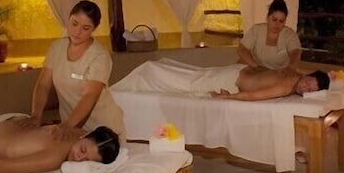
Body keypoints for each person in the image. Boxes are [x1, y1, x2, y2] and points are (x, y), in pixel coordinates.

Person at [21, 0, 141, 173]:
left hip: (103, 128)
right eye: (74, 24)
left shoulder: (99, 57)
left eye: (85, 28)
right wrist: (36, 116)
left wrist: (67, 126)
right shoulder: (56, 49)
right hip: (74, 128)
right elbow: (43, 85)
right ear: (69, 19)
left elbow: (89, 97)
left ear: (93, 29)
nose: (77, 32)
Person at [112, 59, 330, 101]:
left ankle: (151, 71)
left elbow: (257, 92)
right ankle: (148, 74)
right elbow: (254, 95)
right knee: (189, 83)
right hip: (232, 77)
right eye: (309, 82)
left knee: (193, 77)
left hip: (237, 72)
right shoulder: (287, 83)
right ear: (308, 76)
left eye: (311, 90)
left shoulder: (294, 74)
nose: (306, 88)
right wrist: (231, 97)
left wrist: (232, 96)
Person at [0, 122, 120, 173]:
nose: (79, 159)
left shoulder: (80, 131)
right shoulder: (55, 156)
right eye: (83, 150)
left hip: (11, 125)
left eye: (87, 161)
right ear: (85, 136)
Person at [237, 0, 303, 71]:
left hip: (280, 72)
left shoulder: (290, 35)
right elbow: (242, 49)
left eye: (281, 21)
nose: (277, 24)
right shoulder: (256, 30)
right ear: (267, 17)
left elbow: (295, 53)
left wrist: (290, 69)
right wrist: (256, 67)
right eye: (274, 20)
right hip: (255, 69)